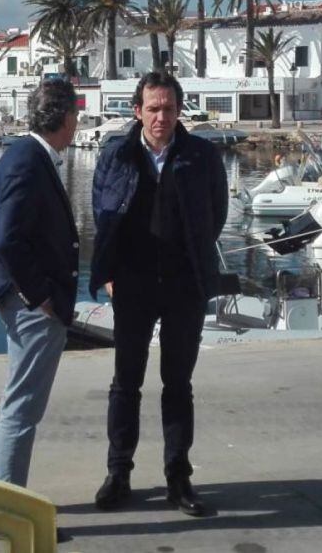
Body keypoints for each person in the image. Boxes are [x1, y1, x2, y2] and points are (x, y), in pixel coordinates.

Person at [89, 71, 229, 517]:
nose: (161, 117)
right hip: (132, 284)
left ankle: (178, 477)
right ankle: (118, 473)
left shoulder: (201, 156)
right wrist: (109, 271)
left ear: (178, 110)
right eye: (152, 108)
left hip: (184, 284)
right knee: (125, 383)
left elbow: (216, 214)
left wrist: (194, 259)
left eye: (168, 108)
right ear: (137, 110)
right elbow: (102, 212)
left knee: (178, 384)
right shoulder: (117, 155)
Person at [0, 78, 81, 490]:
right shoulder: (27, 160)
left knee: (15, 402)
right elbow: (7, 242)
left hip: (25, 300)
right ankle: (10, 507)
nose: (77, 124)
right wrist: (40, 298)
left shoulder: (26, 155)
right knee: (23, 408)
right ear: (64, 117)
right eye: (75, 114)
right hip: (32, 305)